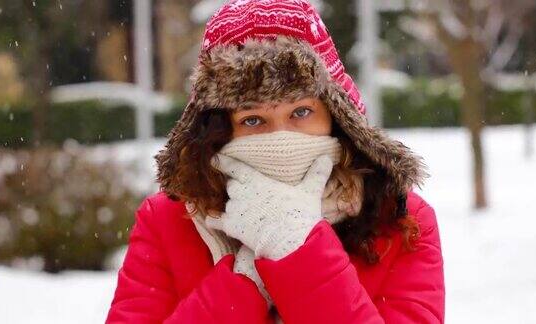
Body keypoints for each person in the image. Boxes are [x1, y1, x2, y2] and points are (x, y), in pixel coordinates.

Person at [106, 0, 445, 323]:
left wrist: (296, 248)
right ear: (219, 130)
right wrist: (248, 281)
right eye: (253, 120)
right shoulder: (168, 222)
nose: (280, 137)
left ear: (337, 117)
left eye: (301, 112)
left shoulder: (401, 220)